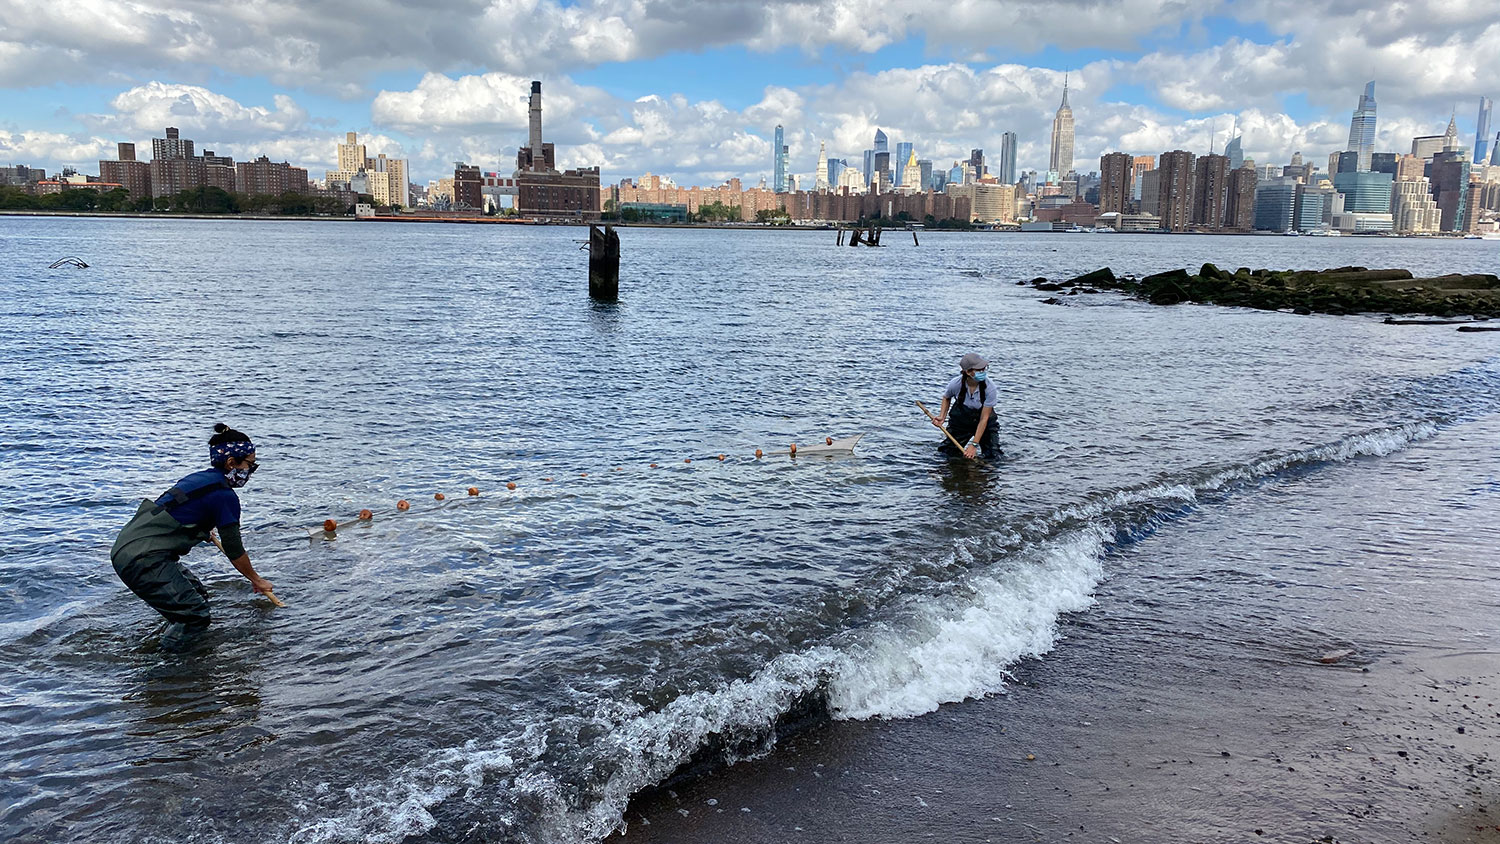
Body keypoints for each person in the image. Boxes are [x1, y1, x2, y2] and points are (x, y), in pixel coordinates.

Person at [110, 423, 274, 650]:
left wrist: (200, 528)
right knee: (195, 615)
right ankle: (166, 667)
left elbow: (174, 511)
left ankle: (177, 641)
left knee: (196, 593)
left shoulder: (199, 479)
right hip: (144, 558)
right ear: (231, 463)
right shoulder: (224, 495)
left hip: (127, 547)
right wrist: (257, 579)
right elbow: (234, 548)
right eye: (250, 465)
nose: (251, 472)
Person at [931, 352, 1000, 459]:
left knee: (993, 456)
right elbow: (946, 397)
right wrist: (942, 417)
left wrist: (974, 445)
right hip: (961, 422)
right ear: (968, 372)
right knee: (947, 453)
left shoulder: (990, 388)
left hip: (985, 423)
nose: (982, 372)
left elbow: (984, 419)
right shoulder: (955, 384)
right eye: (979, 370)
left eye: (983, 369)